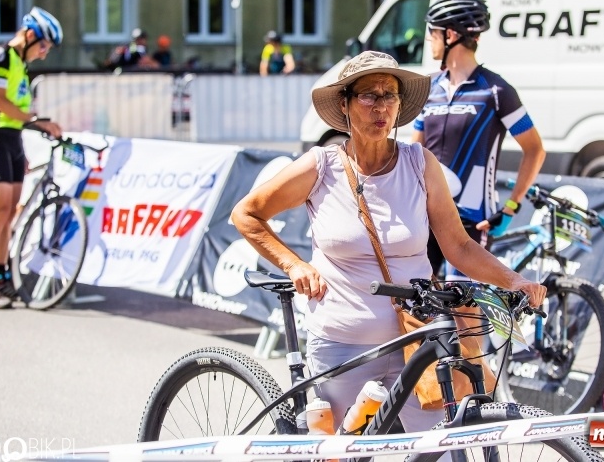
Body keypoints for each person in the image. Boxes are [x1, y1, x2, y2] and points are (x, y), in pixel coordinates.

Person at [232, 50, 545, 436]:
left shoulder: (420, 163)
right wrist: (295, 265)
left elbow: (459, 246)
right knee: (337, 455)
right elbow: (247, 214)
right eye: (369, 95)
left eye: (390, 95)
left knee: (440, 449)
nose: (381, 106)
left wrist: (513, 280)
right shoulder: (321, 166)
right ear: (345, 105)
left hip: (417, 341)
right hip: (342, 347)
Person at [412, 0, 546, 277]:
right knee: (416, 311)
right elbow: (414, 152)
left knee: (464, 316)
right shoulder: (429, 89)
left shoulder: (496, 91)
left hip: (471, 221)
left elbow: (535, 150)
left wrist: (510, 207)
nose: (429, 41)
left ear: (450, 35)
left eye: (432, 33)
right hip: (427, 216)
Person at [0, 6, 64, 309]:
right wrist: (37, 120)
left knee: (10, 213)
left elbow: (17, 113)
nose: (45, 52)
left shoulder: (22, 67)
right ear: (29, 35)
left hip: (12, 139)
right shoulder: (1, 56)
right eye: (43, 45)